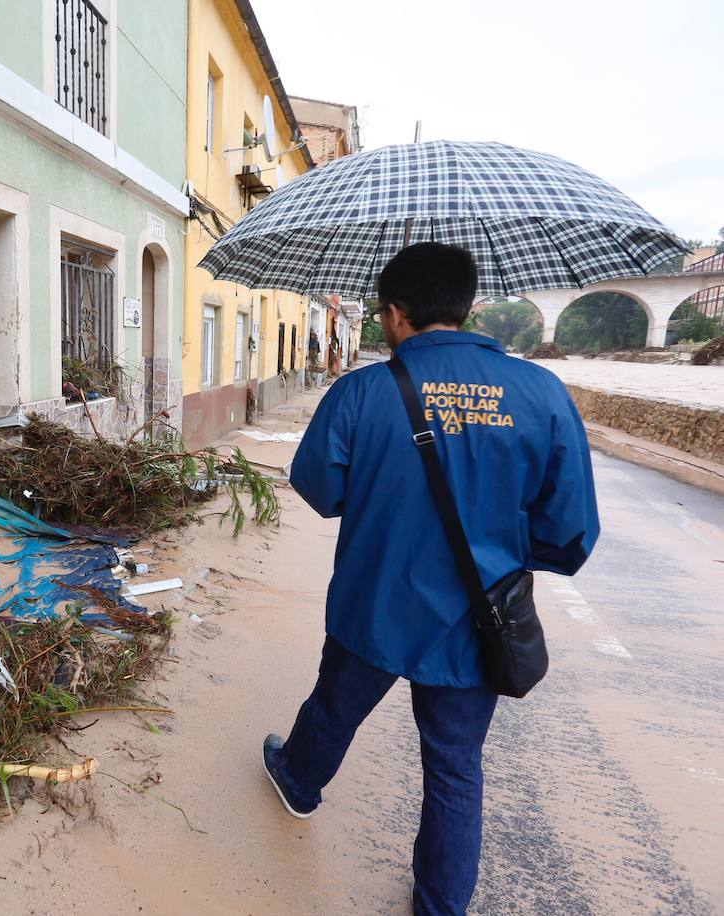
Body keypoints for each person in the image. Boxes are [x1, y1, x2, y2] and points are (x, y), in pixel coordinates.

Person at [263, 243, 600, 914]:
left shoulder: (361, 391)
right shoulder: (542, 392)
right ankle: (440, 906)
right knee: (454, 765)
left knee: (335, 707)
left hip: (374, 607)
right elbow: (570, 533)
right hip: (477, 622)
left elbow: (320, 490)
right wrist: (502, 550)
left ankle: (298, 784)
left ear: (394, 314)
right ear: (467, 306)